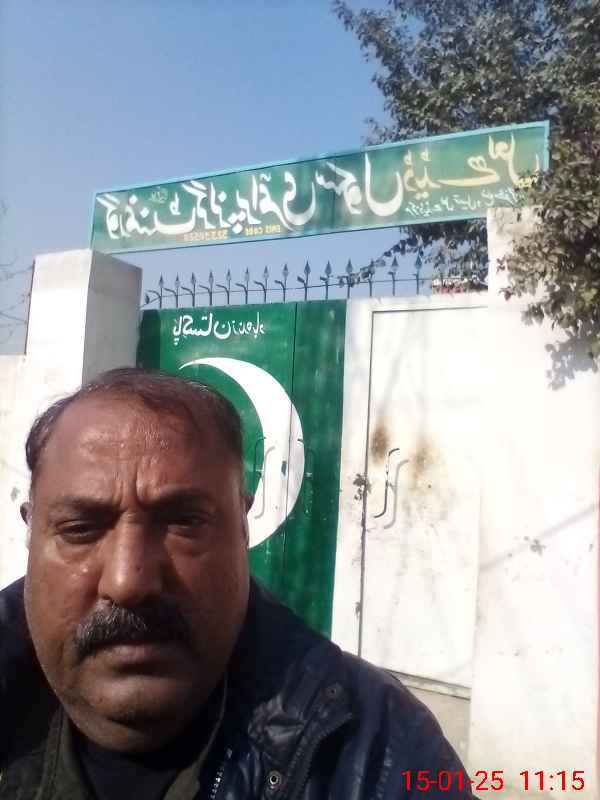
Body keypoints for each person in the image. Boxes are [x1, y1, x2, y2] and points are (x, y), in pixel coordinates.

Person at [0, 368, 474, 799]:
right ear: (30, 530)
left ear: (243, 524)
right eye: (81, 528)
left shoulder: (379, 753)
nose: (127, 582)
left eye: (183, 522)